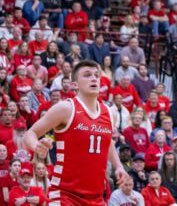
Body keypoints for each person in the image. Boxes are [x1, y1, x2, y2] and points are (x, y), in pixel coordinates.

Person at [23, 60, 127, 205]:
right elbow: (30, 133)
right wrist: (36, 146)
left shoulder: (110, 113)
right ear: (75, 85)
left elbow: (106, 141)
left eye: (96, 75)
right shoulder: (66, 109)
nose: (94, 78)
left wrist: (119, 166)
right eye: (87, 75)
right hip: (65, 195)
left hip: (96, 197)